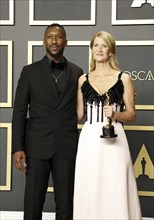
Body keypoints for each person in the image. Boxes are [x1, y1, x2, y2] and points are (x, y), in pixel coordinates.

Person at [12, 23, 83, 220]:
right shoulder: (29, 72)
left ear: (66, 42)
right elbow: (19, 111)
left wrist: (120, 98)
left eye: (58, 37)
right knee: (33, 203)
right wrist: (17, 148)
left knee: (66, 205)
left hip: (67, 147)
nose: (54, 40)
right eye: (50, 37)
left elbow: (86, 104)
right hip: (37, 146)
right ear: (44, 41)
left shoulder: (77, 73)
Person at [73, 31, 142, 219]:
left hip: (116, 138)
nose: (99, 49)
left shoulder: (124, 78)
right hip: (89, 138)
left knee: (116, 184)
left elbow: (132, 115)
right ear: (91, 49)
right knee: (91, 184)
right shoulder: (83, 79)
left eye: (104, 45)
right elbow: (79, 115)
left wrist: (116, 114)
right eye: (96, 45)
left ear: (111, 50)